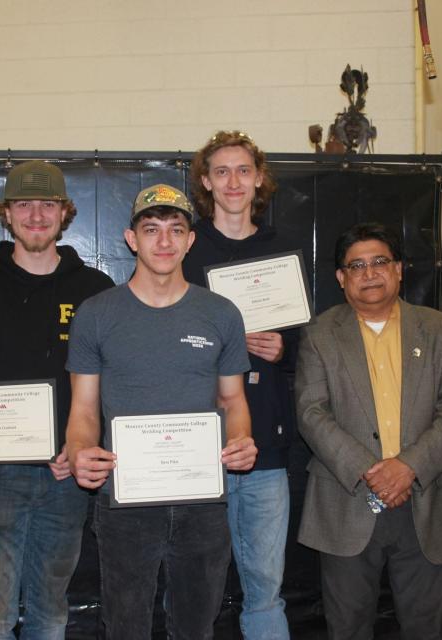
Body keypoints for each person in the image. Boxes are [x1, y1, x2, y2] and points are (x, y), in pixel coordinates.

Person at [66, 183, 258, 639]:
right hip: (125, 502)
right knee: (126, 627)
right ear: (132, 239)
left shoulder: (221, 313)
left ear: (191, 240)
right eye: (151, 229)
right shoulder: (96, 315)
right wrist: (78, 450)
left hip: (202, 502)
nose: (165, 242)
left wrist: (241, 441)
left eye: (176, 230)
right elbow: (84, 408)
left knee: (196, 627)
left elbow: (233, 401)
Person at [0, 160, 114, 639]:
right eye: (23, 204)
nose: (36, 215)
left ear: (64, 213)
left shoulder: (94, 291)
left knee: (50, 613)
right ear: (7, 213)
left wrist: (80, 452)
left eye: (47, 204)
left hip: (65, 478)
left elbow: (109, 385)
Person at [295, 222, 442, 640]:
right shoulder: (319, 334)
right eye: (356, 265)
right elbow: (311, 411)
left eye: (380, 262)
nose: (369, 273)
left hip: (424, 502)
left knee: (427, 627)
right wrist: (372, 471)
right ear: (342, 278)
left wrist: (407, 467)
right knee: (348, 628)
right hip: (346, 499)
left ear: (399, 270)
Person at [183, 130, 295, 639]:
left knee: (265, 586)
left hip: (264, 446)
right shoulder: (184, 248)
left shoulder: (282, 250)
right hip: (193, 445)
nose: (233, 181)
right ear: (206, 181)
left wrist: (283, 349)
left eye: (243, 170)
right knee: (192, 589)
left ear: (259, 179)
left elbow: (307, 341)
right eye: (222, 171)